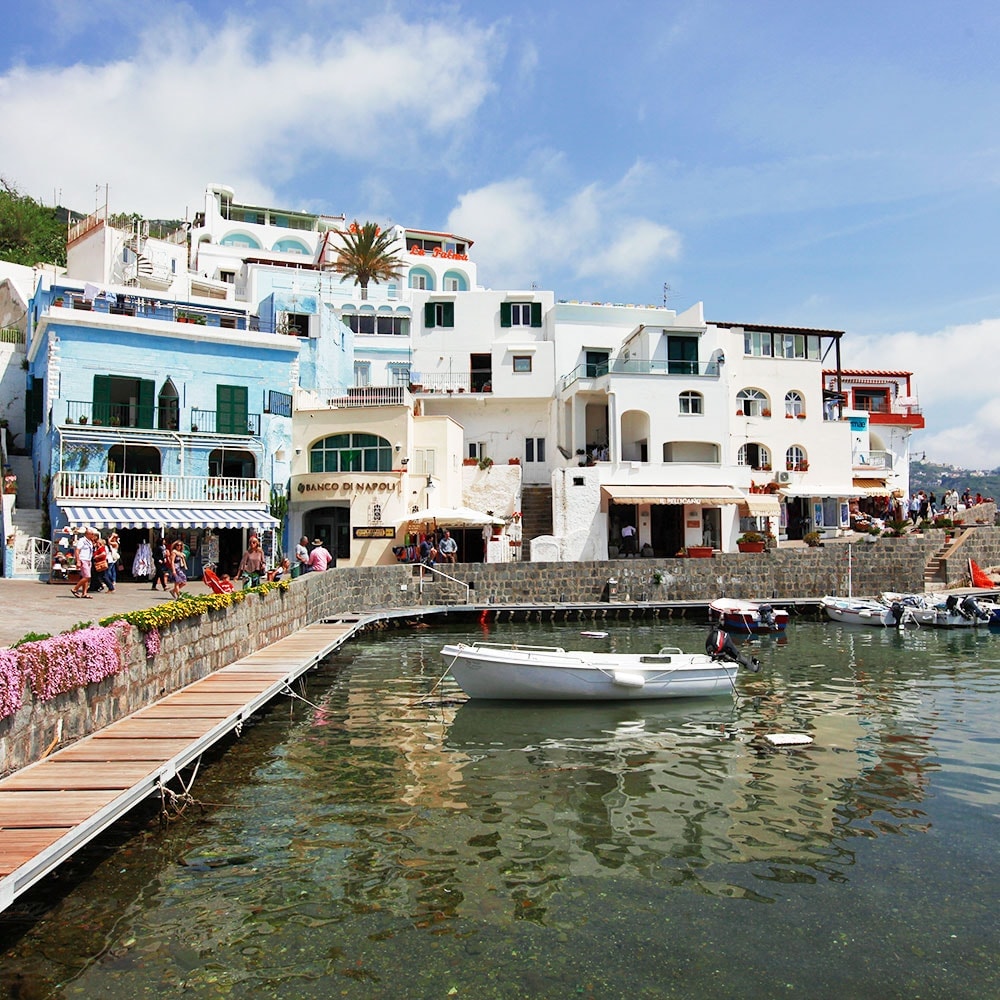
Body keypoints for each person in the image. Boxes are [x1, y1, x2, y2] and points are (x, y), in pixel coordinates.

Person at [72, 528, 94, 598]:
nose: (93, 535)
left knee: (86, 577)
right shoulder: (82, 540)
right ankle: (75, 589)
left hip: (88, 560)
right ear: (87, 534)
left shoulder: (90, 541)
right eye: (92, 534)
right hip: (83, 559)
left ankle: (84, 593)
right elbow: (77, 550)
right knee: (87, 576)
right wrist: (78, 561)